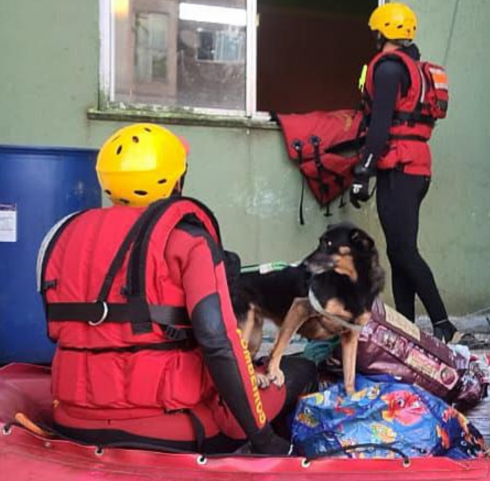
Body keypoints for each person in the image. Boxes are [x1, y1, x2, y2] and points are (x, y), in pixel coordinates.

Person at [39, 123, 316, 455]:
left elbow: (61, 332)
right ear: (176, 180)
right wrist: (263, 439)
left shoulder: (60, 236)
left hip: (72, 422)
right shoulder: (188, 241)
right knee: (304, 369)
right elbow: (218, 342)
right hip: (170, 428)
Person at [350, 2, 457, 343]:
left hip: (399, 167)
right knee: (399, 251)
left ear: (382, 32)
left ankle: (443, 325)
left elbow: (380, 125)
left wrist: (362, 170)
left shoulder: (387, 70)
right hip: (416, 166)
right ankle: (407, 325)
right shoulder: (412, 67)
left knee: (405, 252)